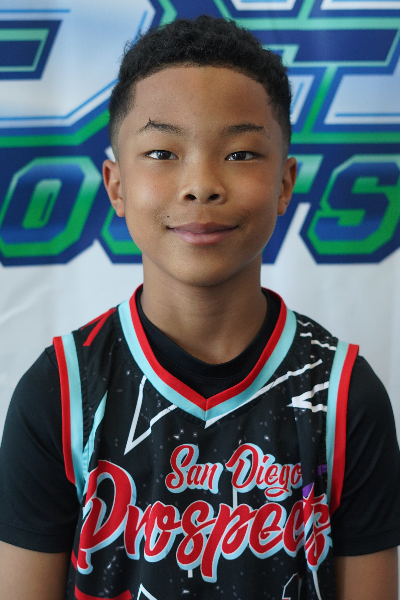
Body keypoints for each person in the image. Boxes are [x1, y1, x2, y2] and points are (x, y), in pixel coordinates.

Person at [0, 15, 399, 600]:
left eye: (240, 154)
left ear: (285, 183)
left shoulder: (343, 395)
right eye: (163, 151)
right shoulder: (61, 392)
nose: (201, 184)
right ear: (115, 185)